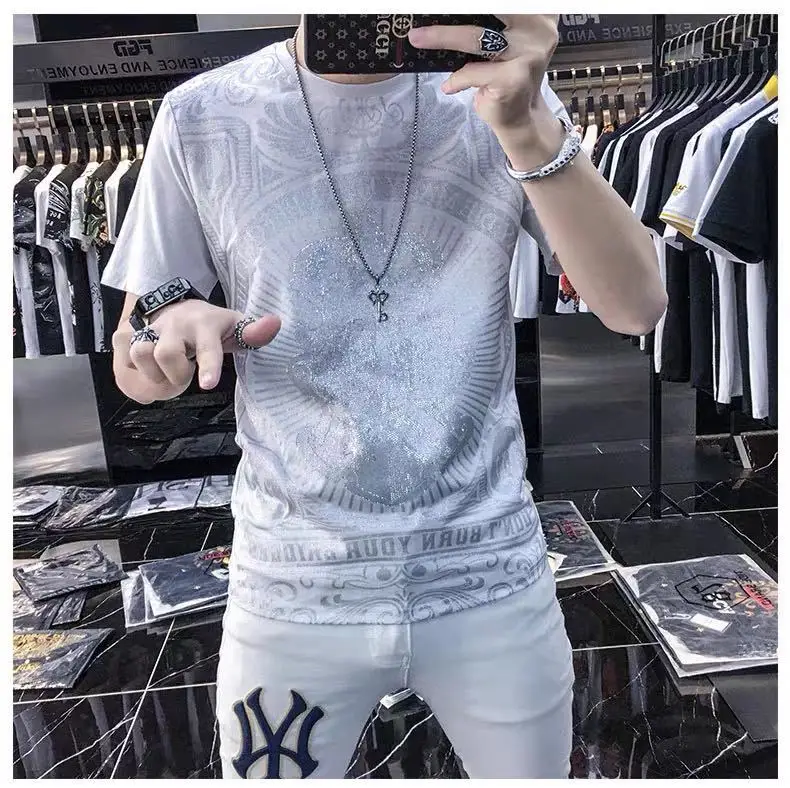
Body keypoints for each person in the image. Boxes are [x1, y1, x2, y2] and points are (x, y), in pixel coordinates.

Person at [103, 15, 666, 779]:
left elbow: (636, 306)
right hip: (294, 588)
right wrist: (165, 339)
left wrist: (525, 127)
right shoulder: (204, 115)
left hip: (488, 577)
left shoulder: (499, 94)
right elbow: (134, 357)